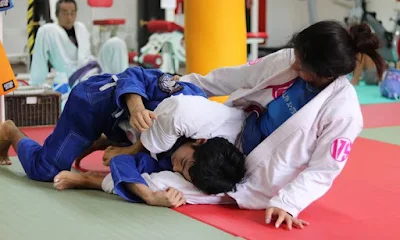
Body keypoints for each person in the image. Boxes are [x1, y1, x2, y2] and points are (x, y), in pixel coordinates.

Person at [156, 21, 383, 230]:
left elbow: (323, 170)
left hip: (259, 177)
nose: (294, 64)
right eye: (296, 56)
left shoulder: (344, 112)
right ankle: (139, 145)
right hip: (237, 129)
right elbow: (238, 76)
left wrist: (288, 203)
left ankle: (135, 172)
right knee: (180, 107)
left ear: (326, 74)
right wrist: (187, 83)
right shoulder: (287, 61)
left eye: (301, 65)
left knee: (160, 184)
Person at [53, 135, 245, 208]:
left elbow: (124, 163)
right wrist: (149, 197)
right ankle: (109, 141)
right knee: (44, 168)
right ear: (200, 141)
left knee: (147, 175)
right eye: (183, 162)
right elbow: (121, 160)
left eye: (182, 172)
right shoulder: (180, 118)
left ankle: (91, 179)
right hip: (124, 122)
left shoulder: (205, 166)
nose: (176, 167)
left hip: (142, 151)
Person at [29, 0, 128, 87]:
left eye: (72, 13)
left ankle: (126, 85)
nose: (69, 17)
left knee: (116, 42)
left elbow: (88, 55)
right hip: (76, 77)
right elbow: (39, 59)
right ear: (57, 14)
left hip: (95, 68)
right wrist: (36, 84)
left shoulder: (81, 27)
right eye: (65, 13)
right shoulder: (48, 31)